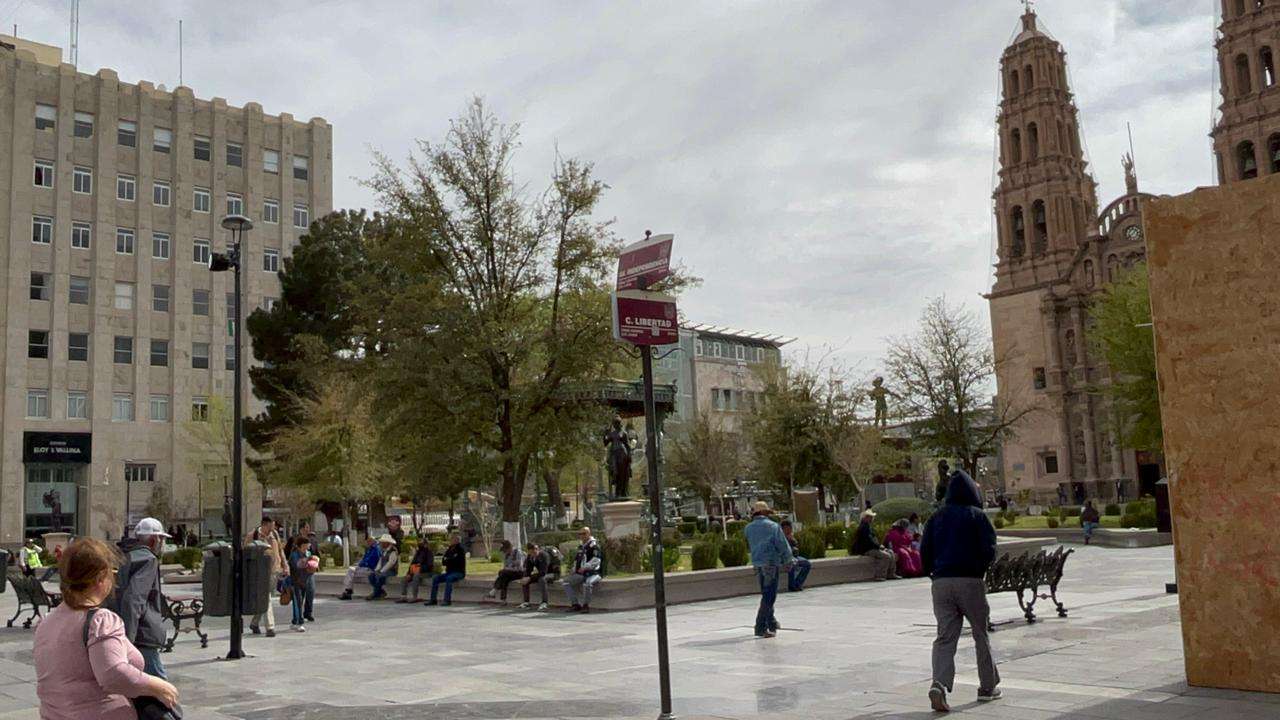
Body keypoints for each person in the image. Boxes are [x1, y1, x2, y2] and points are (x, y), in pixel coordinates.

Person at [34, 537, 181, 720]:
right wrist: (158, 685)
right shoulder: (101, 621)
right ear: (101, 578)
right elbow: (114, 674)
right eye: (113, 572)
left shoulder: (47, 622)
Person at [921, 469, 1001, 712]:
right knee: (980, 633)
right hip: (969, 580)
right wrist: (980, 568)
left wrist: (933, 573)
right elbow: (989, 549)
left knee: (945, 637)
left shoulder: (936, 517)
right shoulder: (977, 516)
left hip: (941, 583)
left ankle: (939, 684)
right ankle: (987, 686)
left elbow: (925, 550)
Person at [115, 517, 170, 679]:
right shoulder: (148, 559)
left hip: (126, 632)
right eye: (162, 539)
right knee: (163, 692)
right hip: (142, 635)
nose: (163, 544)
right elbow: (134, 599)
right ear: (154, 540)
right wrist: (128, 641)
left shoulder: (125, 556)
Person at [743, 501, 793, 639]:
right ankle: (760, 626)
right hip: (770, 563)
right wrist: (789, 560)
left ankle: (771, 622)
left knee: (766, 593)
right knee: (769, 595)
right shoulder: (773, 527)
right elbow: (782, 545)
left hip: (757, 563)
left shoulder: (748, 528)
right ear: (765, 513)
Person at [247, 515, 285, 637]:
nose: (272, 529)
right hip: (259, 572)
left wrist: (285, 565)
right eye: (270, 526)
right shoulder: (252, 536)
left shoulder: (274, 535)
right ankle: (270, 627)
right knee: (266, 596)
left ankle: (254, 622)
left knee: (264, 597)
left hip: (273, 571)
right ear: (264, 525)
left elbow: (280, 550)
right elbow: (245, 553)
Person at [562, 526, 603, 612]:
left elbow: (596, 560)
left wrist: (585, 567)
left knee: (587, 584)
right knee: (566, 582)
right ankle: (575, 604)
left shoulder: (594, 545)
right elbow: (577, 561)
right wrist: (573, 570)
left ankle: (585, 605)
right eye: (580, 534)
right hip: (581, 574)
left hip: (594, 573)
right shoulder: (581, 546)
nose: (582, 536)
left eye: (584, 534)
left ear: (589, 534)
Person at [850, 509, 898, 581]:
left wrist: (879, 546)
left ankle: (891, 574)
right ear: (866, 518)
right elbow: (868, 542)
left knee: (891, 552)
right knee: (886, 556)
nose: (872, 519)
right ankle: (880, 575)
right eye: (870, 517)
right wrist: (878, 547)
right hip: (866, 549)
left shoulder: (868, 526)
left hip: (871, 547)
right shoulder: (863, 528)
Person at [518, 541, 560, 611]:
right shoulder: (530, 557)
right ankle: (526, 602)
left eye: (536, 549)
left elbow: (543, 572)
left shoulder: (544, 555)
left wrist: (529, 577)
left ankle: (544, 603)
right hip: (542, 574)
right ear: (529, 551)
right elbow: (528, 570)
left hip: (553, 573)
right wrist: (525, 577)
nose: (535, 551)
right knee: (525, 580)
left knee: (542, 579)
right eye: (532, 551)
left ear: (538, 548)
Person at [427, 534, 466, 606]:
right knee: (436, 578)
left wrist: (449, 560)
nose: (451, 541)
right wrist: (450, 560)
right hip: (449, 571)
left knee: (449, 579)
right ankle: (433, 600)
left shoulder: (460, 550)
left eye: (453, 539)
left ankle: (447, 600)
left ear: (457, 541)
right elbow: (443, 561)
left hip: (458, 572)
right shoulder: (449, 549)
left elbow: (457, 561)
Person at [338, 536, 382, 601]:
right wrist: (359, 564)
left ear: (373, 541)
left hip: (370, 569)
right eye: (367, 541)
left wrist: (361, 565)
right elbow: (364, 560)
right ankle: (348, 591)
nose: (367, 543)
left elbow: (370, 562)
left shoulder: (376, 550)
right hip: (364, 568)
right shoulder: (370, 549)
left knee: (351, 571)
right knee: (351, 572)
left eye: (369, 541)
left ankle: (348, 591)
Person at [287, 536, 317, 632]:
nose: (308, 547)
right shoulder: (295, 554)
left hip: (305, 581)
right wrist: (308, 560)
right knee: (298, 602)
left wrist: (314, 562)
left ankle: (294, 621)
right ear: (302, 545)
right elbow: (298, 565)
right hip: (296, 582)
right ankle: (299, 622)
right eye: (307, 545)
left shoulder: (307, 553)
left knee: (300, 602)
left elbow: (311, 564)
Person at [486, 540, 526, 604]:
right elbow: (505, 566)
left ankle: (494, 591)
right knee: (504, 577)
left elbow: (520, 567)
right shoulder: (506, 555)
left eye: (505, 550)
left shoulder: (518, 553)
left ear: (509, 548)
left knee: (503, 573)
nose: (504, 552)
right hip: (509, 573)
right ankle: (503, 600)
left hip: (520, 573)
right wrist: (507, 569)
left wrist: (508, 569)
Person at [779, 520, 812, 592]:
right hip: (783, 558)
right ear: (782, 529)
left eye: (790, 529)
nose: (789, 531)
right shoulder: (779, 538)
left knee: (807, 564)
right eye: (787, 529)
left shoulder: (791, 537)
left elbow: (796, 548)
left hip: (793, 557)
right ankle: (791, 586)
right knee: (792, 564)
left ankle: (798, 583)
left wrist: (792, 540)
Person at [366, 534, 400, 600]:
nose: (381, 543)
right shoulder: (383, 550)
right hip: (383, 570)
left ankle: (375, 594)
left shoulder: (393, 551)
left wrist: (381, 571)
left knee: (380, 576)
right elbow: (380, 561)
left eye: (383, 542)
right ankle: (380, 592)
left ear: (387, 543)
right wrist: (376, 570)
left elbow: (390, 563)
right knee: (371, 576)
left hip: (391, 571)